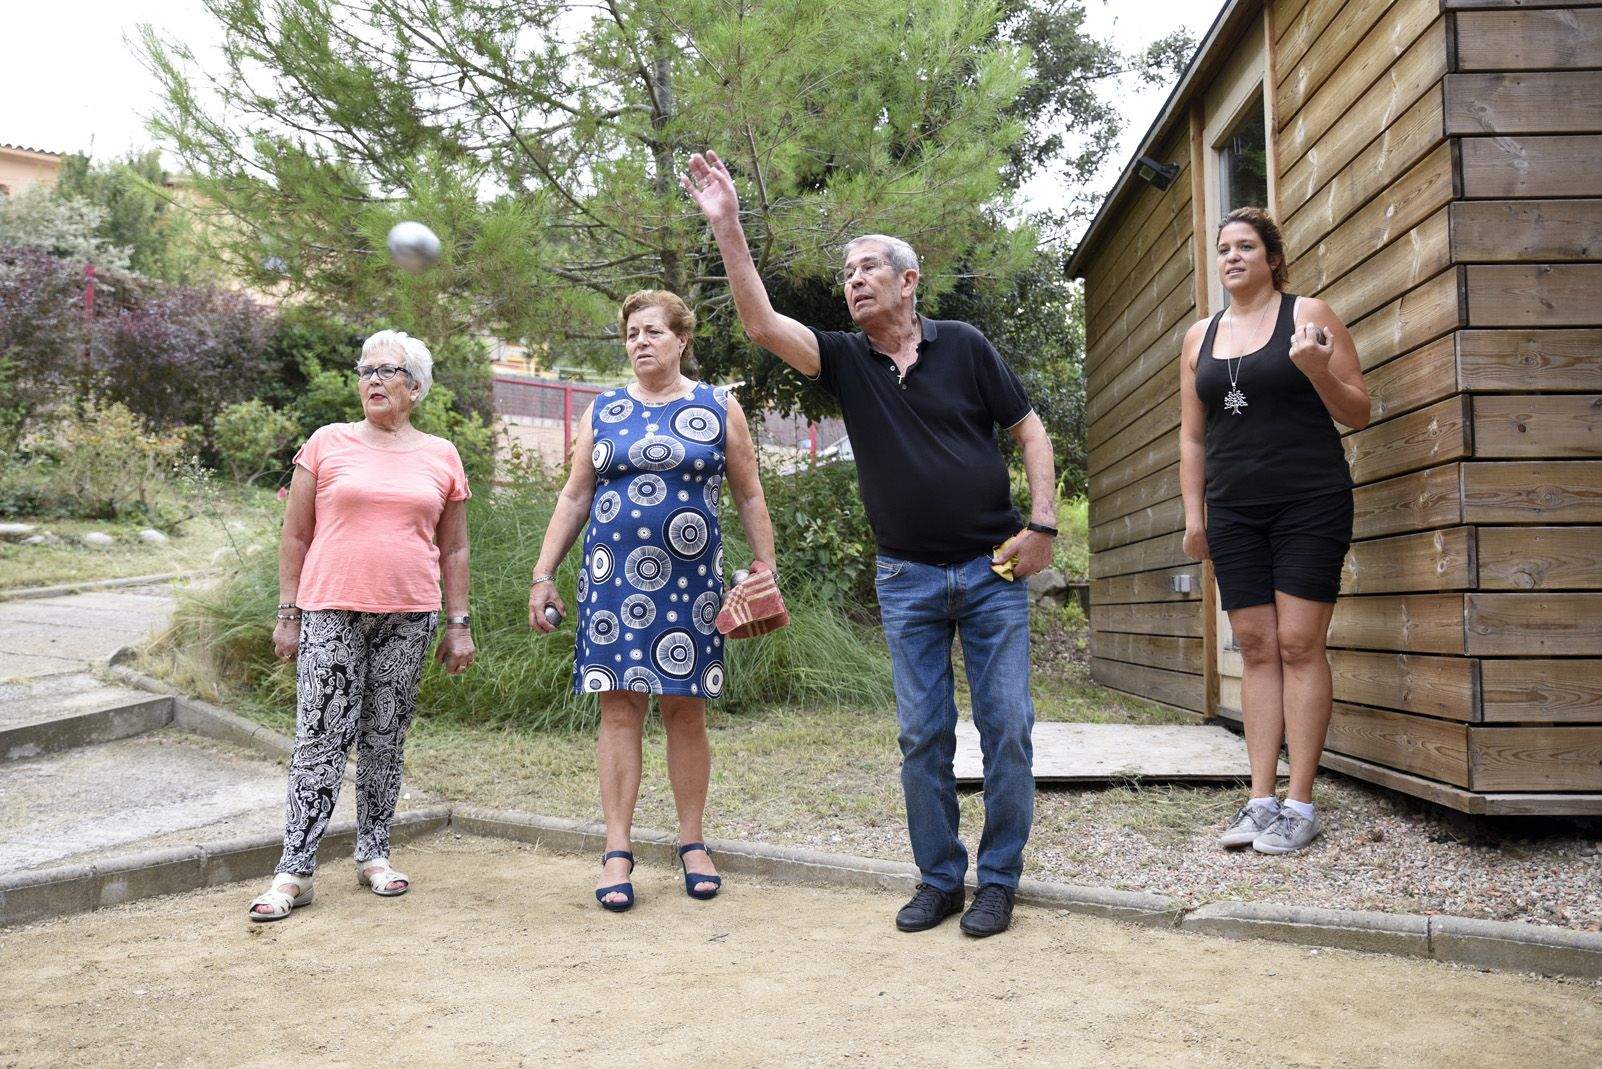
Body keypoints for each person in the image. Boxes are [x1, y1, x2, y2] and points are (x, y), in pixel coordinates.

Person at [683, 151, 1057, 938]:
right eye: (847, 271)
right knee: (922, 734)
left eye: (868, 268)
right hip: (907, 577)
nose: (854, 279)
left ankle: (998, 882)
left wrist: (1044, 524)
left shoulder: (966, 345)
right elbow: (760, 323)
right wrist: (729, 228)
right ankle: (938, 879)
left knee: (1007, 728)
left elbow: (1028, 428)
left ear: (908, 281)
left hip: (992, 569)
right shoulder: (846, 360)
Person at [528, 289, 777, 912]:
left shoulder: (718, 406)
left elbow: (748, 495)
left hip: (692, 583)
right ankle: (617, 848)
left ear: (681, 339)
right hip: (613, 583)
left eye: (653, 332)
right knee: (619, 711)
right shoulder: (605, 410)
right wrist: (543, 572)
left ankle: (691, 840)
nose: (641, 341)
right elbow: (574, 496)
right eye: (632, 333)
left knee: (685, 711)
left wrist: (764, 567)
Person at [248, 330, 475, 921]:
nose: (373, 379)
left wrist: (459, 625)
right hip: (331, 610)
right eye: (365, 369)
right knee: (319, 737)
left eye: (387, 370)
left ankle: (374, 853)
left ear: (416, 388)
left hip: (409, 616)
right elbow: (295, 535)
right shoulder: (327, 444)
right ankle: (295, 871)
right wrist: (287, 613)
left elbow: (454, 552)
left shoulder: (441, 454)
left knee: (384, 738)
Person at [1178, 206, 1371, 855]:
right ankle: (1260, 800)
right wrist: (1193, 514)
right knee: (1256, 645)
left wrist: (1317, 372)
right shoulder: (1197, 337)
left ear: (1273, 258)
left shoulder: (1310, 315)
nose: (1232, 256)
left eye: (1245, 247)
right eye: (1223, 247)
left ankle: (1300, 803)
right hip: (1232, 509)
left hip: (1309, 501)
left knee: (1297, 642)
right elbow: (1192, 433)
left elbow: (1360, 410)